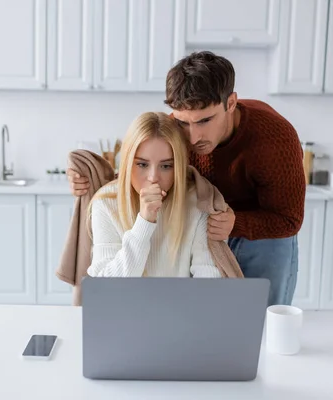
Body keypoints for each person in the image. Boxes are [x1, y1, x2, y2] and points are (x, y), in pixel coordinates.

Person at [71, 51, 305, 305]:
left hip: (263, 234)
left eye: (205, 120)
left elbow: (289, 219)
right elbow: (147, 167)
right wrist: (90, 180)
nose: (192, 139)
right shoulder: (175, 129)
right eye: (184, 123)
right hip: (206, 221)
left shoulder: (276, 139)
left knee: (265, 317)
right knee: (226, 315)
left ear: (231, 103)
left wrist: (236, 223)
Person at [86, 111, 222, 279]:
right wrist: (144, 221)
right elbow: (106, 286)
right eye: (142, 164)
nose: (153, 177)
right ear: (128, 162)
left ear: (178, 167)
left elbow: (209, 278)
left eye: (166, 166)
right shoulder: (106, 202)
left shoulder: (198, 202)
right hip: (125, 306)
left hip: (181, 305)